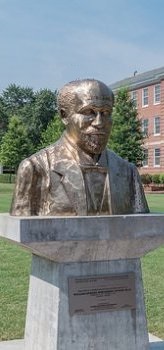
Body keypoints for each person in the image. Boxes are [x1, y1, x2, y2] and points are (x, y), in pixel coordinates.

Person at [10, 79, 149, 216]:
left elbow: (143, 228)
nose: (99, 123)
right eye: (89, 112)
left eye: (106, 113)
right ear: (64, 116)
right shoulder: (36, 169)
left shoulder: (128, 172)